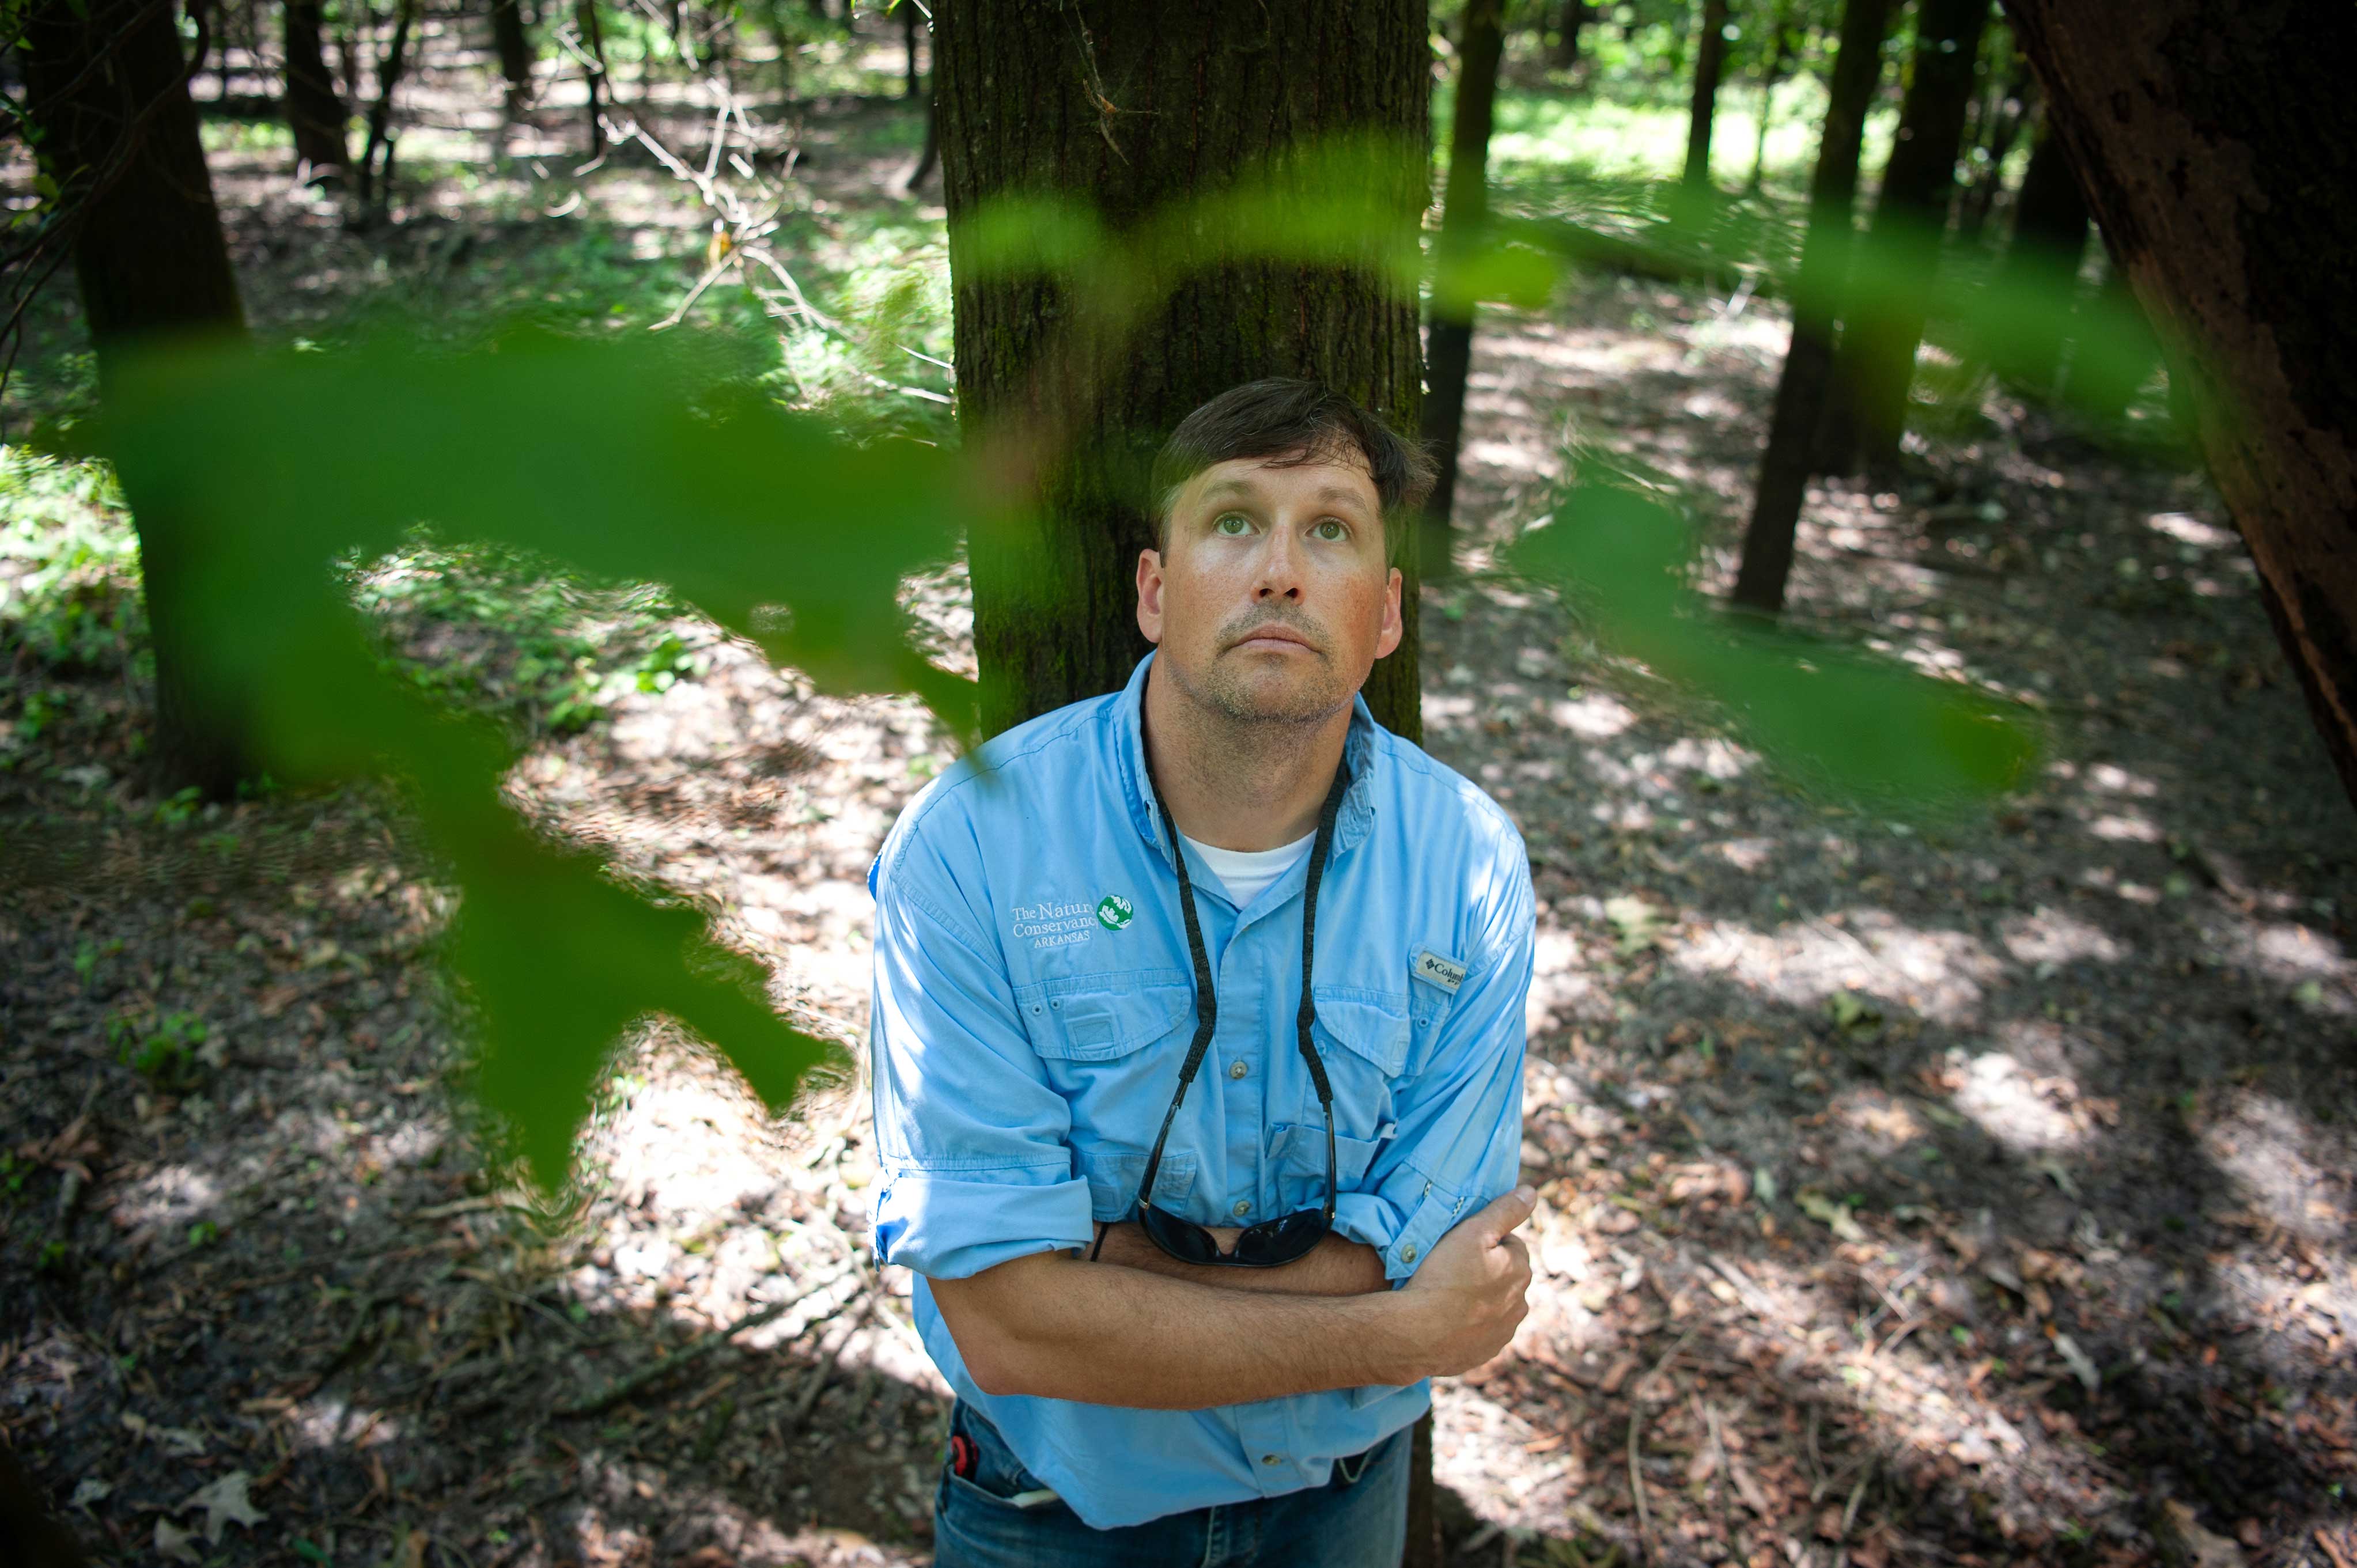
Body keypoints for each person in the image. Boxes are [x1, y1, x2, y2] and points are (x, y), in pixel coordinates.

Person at [866, 378, 1538, 1567]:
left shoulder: (1466, 864)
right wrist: (1400, 1327)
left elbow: (1436, 1248)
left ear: (1386, 613)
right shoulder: (973, 843)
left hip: (1342, 1508)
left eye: (1329, 528)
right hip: (1056, 1510)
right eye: (1232, 519)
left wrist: (1105, 1272)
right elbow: (1009, 1322)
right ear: (1154, 589)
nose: (1280, 569)